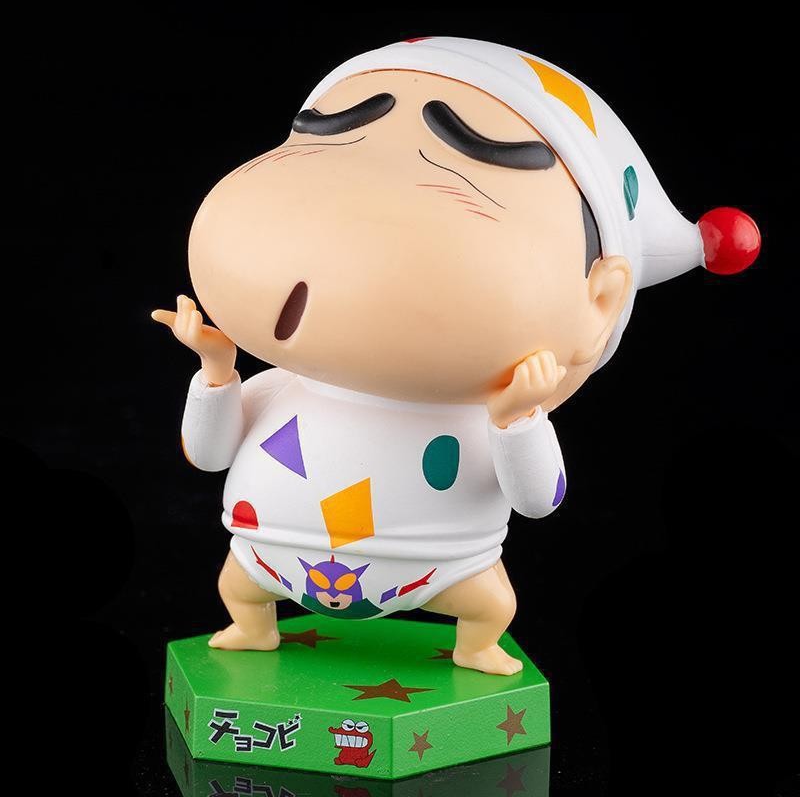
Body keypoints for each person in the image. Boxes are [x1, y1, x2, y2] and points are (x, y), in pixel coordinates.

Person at [153, 37, 759, 675]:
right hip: (264, 554)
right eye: (327, 132)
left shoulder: (473, 419)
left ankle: (475, 645)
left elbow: (539, 499)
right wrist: (217, 373)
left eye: (474, 151)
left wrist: (516, 420)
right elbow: (209, 455)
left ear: (600, 302)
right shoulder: (282, 388)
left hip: (442, 567)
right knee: (239, 585)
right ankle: (252, 626)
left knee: (491, 604)